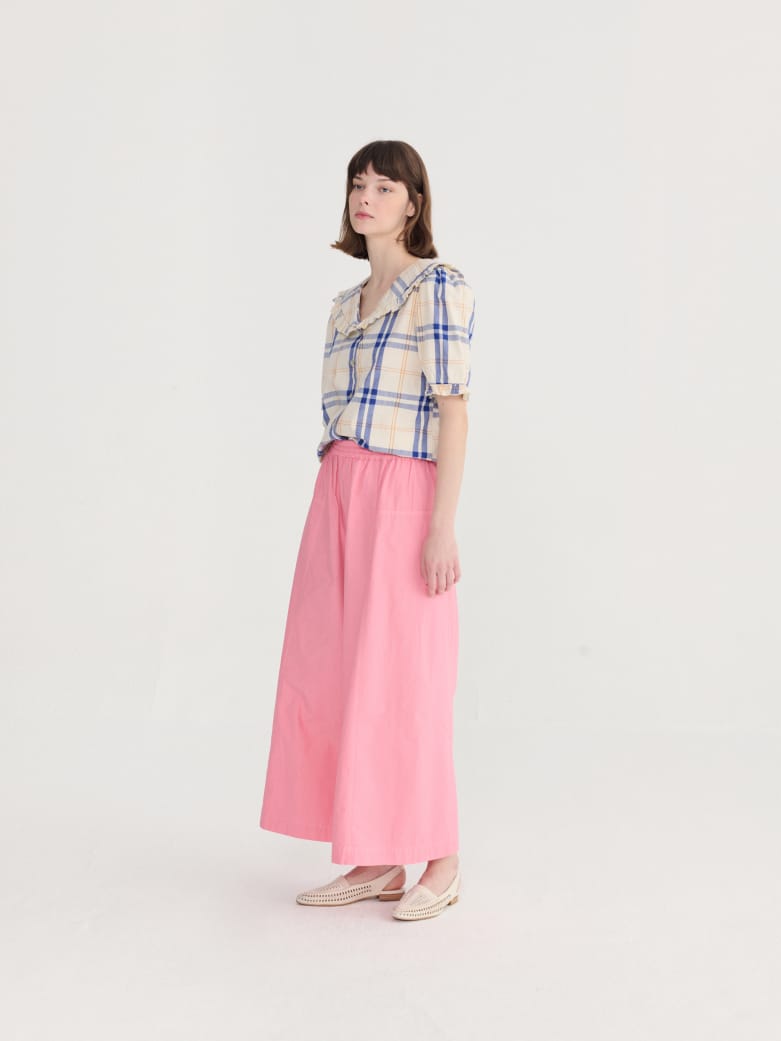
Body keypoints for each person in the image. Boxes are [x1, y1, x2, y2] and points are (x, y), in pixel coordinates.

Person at [259, 140, 475, 922]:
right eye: (358, 183)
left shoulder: (437, 286)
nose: (366, 196)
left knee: (405, 677)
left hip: (401, 490)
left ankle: (440, 857)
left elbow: (453, 409)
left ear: (413, 203)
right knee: (337, 670)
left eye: (385, 185)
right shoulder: (343, 304)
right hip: (339, 486)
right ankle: (379, 855)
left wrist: (440, 526)